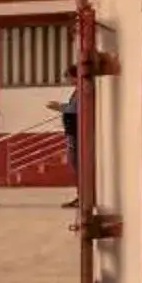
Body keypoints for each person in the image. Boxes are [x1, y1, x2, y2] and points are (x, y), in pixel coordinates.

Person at [57, 62, 82, 210]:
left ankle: (82, 196)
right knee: (75, 165)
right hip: (72, 131)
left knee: (77, 164)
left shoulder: (80, 91)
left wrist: (59, 107)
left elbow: (74, 109)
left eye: (68, 77)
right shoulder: (77, 91)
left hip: (75, 132)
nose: (68, 81)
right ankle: (80, 195)